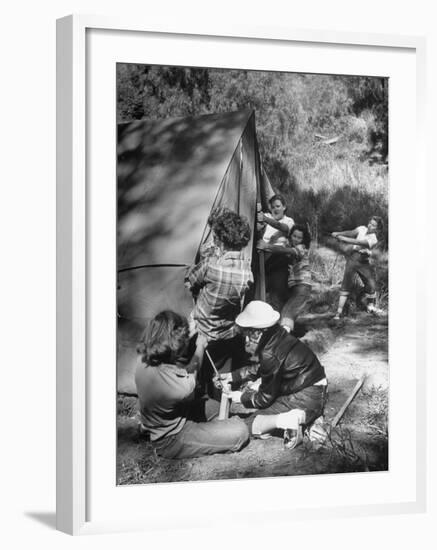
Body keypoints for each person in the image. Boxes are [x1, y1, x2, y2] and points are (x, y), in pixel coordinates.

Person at [135, 310, 249, 459]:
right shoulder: (175, 387)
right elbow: (192, 370)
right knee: (240, 431)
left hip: (178, 412)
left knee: (214, 407)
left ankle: (147, 427)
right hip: (173, 437)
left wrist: (190, 329)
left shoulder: (145, 356)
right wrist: (199, 346)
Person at [219, 301, 328, 448]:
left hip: (306, 394)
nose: (246, 339)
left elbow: (264, 398)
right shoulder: (278, 334)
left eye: (248, 334)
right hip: (314, 387)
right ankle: (309, 417)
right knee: (266, 410)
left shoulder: (270, 353)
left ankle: (291, 419)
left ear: (258, 332)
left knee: (249, 424)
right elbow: (265, 367)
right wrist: (234, 376)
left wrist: (240, 397)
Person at [185, 207, 253, 391]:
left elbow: (190, 281)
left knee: (196, 374)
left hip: (202, 330)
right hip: (227, 332)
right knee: (219, 381)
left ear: (221, 242)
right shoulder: (247, 271)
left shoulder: (210, 266)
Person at [257, 223, 312, 333]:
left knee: (288, 314)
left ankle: (283, 341)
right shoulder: (290, 247)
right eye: (294, 236)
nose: (296, 239)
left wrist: (267, 246)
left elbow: (287, 251)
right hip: (295, 287)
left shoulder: (301, 248)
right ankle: (282, 339)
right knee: (285, 312)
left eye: (299, 237)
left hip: (302, 286)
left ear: (303, 240)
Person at [332, 216, 384, 320]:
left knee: (371, 282)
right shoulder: (362, 228)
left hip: (363, 261)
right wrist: (338, 233)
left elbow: (358, 242)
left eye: (374, 225)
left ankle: (371, 307)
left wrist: (342, 238)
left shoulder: (373, 239)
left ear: (377, 229)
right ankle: (338, 312)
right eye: (370, 222)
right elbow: (350, 232)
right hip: (353, 258)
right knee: (346, 283)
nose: (370, 225)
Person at [257, 194, 295, 311]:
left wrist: (266, 219)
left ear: (284, 207)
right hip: (262, 260)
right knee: (260, 295)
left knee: (277, 296)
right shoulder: (266, 215)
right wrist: (260, 221)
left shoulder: (289, 221)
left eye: (278, 206)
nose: (275, 209)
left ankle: (279, 324)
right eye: (273, 207)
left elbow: (283, 228)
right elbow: (258, 224)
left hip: (279, 260)